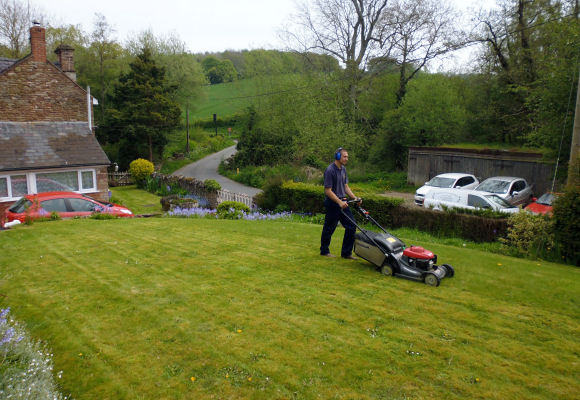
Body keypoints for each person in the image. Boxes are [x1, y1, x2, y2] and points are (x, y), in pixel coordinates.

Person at [320, 147, 360, 259]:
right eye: (345, 156)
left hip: (343, 203)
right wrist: (338, 202)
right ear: (338, 157)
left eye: (347, 156)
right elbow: (327, 191)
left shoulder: (343, 169)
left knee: (351, 226)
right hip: (333, 203)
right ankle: (324, 251)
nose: (347, 159)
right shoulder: (330, 170)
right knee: (329, 228)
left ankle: (346, 253)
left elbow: (345, 186)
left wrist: (355, 197)